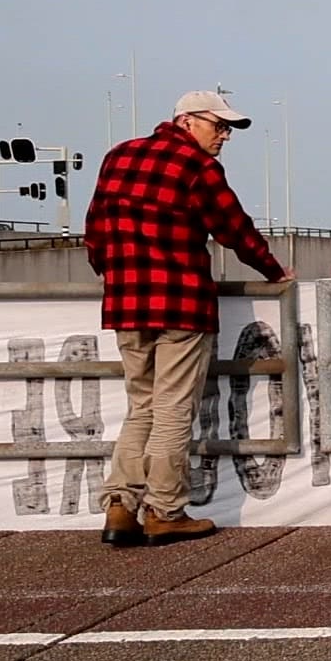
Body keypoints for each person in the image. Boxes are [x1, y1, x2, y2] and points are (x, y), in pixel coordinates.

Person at [84, 90, 291, 546]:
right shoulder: (198, 168)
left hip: (125, 302)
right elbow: (234, 229)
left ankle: (120, 505)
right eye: (218, 126)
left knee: (142, 406)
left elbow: (95, 228)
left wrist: (113, 272)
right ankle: (164, 510)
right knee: (175, 408)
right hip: (181, 302)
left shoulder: (118, 157)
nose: (224, 136)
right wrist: (274, 271)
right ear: (187, 121)